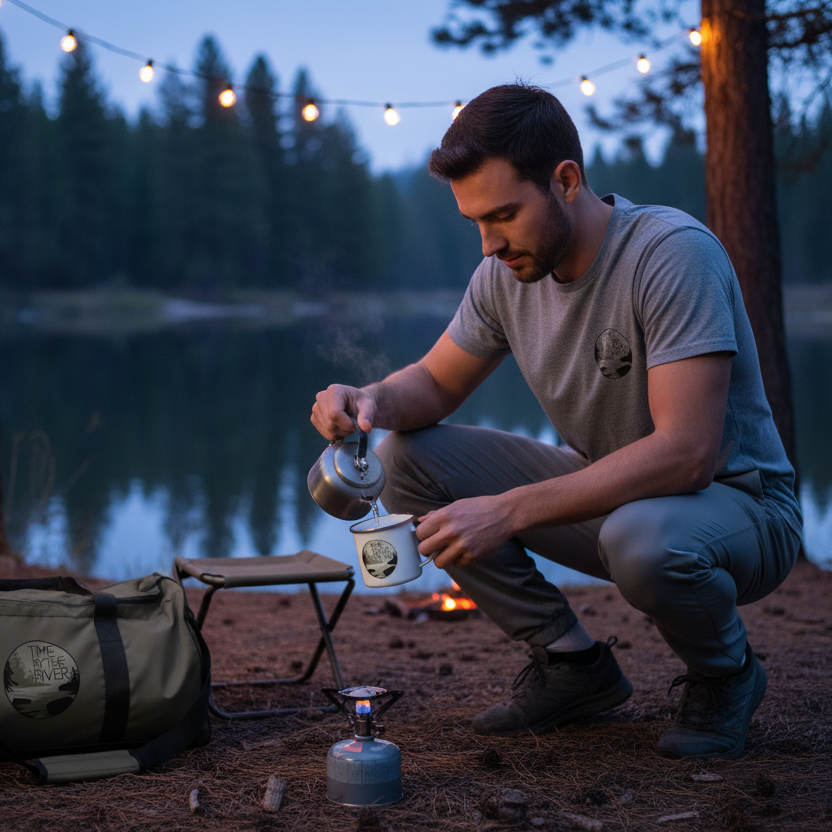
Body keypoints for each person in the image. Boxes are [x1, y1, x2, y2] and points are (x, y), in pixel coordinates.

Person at [311, 83, 802, 760]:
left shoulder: (671, 254)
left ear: (566, 180)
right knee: (404, 457)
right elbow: (431, 385)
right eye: (475, 222)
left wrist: (508, 512)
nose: (488, 243)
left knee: (643, 538)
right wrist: (366, 398)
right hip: (615, 496)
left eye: (504, 214)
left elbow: (688, 454)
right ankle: (573, 667)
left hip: (738, 509)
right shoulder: (507, 274)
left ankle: (727, 676)